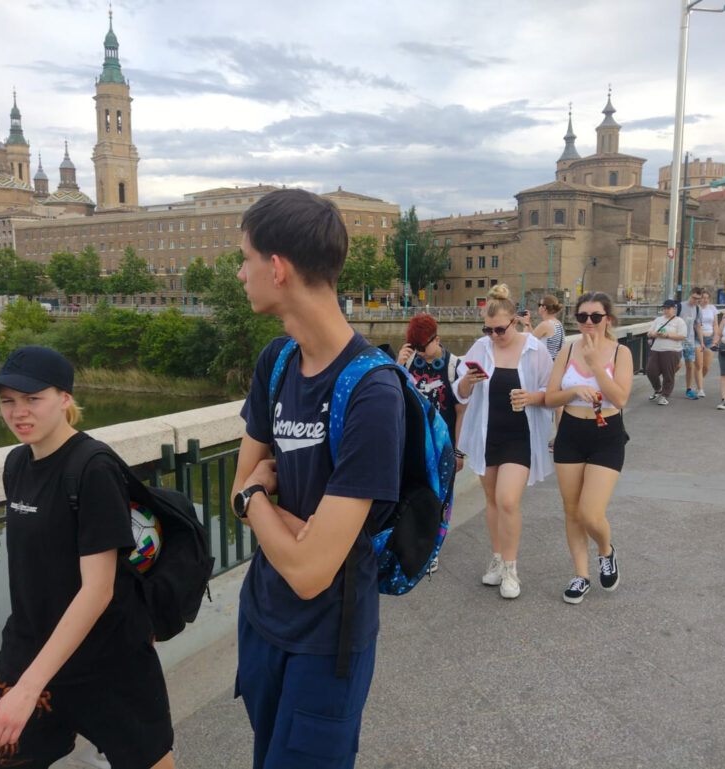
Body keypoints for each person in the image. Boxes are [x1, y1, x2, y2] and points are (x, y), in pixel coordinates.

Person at [231, 189, 405, 768]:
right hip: (261, 619)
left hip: (327, 644)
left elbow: (310, 575)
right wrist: (269, 510)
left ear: (277, 268)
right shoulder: (276, 362)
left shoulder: (373, 393)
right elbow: (237, 491)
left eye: (246, 258)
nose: (240, 273)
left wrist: (256, 498)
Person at [0, 346, 175, 769]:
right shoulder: (16, 463)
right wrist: (21, 678)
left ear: (65, 398)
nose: (18, 412)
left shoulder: (93, 468)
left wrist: (28, 689)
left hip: (107, 660)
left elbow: (98, 590)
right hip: (31, 652)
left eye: (33, 398)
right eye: (8, 401)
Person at [453, 284, 553, 599]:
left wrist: (532, 397)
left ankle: (511, 568)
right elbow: (460, 394)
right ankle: (497, 559)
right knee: (493, 501)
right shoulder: (480, 347)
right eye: (488, 329)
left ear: (514, 321)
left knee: (508, 500)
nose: (494, 335)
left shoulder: (535, 349)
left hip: (520, 436)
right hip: (487, 435)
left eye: (500, 329)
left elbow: (552, 394)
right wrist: (467, 382)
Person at [546, 292, 632, 604]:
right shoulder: (567, 351)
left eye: (596, 316)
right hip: (571, 432)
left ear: (608, 318)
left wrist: (596, 366)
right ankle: (581, 575)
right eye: (582, 316)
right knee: (571, 511)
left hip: (606, 434)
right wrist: (572, 392)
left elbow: (620, 399)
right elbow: (550, 398)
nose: (589, 322)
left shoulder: (621, 352)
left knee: (590, 514)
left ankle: (606, 551)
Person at [396, 312, 465, 571]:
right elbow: (394, 398)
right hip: (414, 445)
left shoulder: (454, 366)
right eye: (415, 347)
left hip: (442, 447)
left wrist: (459, 451)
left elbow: (461, 412)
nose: (420, 353)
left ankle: (431, 551)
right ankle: (411, 546)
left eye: (423, 347)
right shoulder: (408, 362)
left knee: (440, 501)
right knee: (412, 497)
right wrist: (398, 366)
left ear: (437, 339)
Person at [529, 294, 566, 450]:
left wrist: (525, 325)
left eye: (539, 305)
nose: (538, 308)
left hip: (546, 370)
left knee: (543, 403)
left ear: (544, 308)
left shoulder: (545, 325)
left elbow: (528, 342)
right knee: (558, 406)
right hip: (558, 367)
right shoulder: (557, 324)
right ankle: (561, 438)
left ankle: (545, 437)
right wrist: (528, 324)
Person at [645, 300, 687, 406]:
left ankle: (665, 395)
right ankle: (658, 389)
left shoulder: (679, 321)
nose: (666, 310)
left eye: (668, 308)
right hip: (656, 349)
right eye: (664, 308)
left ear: (674, 309)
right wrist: (654, 334)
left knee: (668, 374)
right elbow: (649, 333)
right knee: (650, 371)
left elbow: (682, 336)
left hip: (672, 351)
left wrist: (667, 335)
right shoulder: (658, 320)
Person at [678, 288, 704, 398]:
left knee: (690, 365)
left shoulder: (698, 309)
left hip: (690, 340)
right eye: (694, 298)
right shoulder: (680, 306)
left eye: (698, 299)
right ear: (689, 295)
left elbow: (698, 326)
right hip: (678, 340)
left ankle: (689, 389)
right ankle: (667, 383)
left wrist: (701, 342)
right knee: (677, 365)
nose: (696, 301)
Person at [696, 289, 718, 397]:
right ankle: (700, 388)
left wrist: (716, 339)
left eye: (707, 298)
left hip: (710, 338)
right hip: (698, 338)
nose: (705, 300)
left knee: (706, 366)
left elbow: (715, 324)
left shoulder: (712, 308)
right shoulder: (696, 309)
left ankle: (699, 380)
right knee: (699, 365)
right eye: (703, 298)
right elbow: (696, 325)